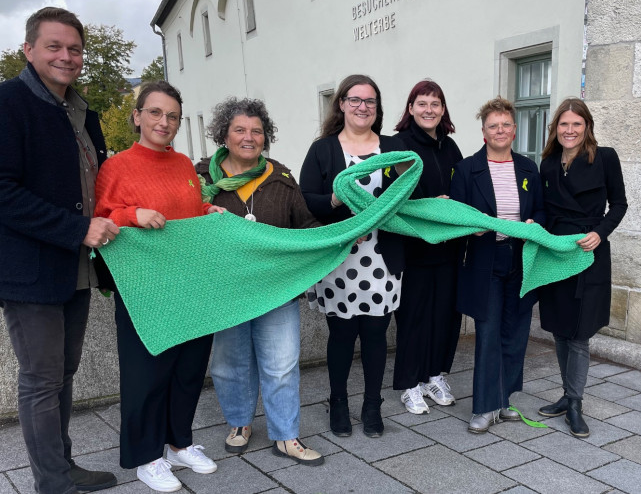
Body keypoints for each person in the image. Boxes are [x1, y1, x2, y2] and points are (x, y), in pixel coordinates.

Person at [0, 7, 119, 494]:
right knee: (41, 377)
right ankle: (52, 481)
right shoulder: (0, 106)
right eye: (54, 46)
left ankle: (64, 466)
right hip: (26, 269)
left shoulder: (82, 111)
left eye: (74, 49)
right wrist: (76, 229)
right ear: (28, 49)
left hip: (73, 265)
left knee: (63, 372)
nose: (66, 56)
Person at [94, 81, 225, 492]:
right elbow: (102, 218)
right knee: (146, 373)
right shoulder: (115, 168)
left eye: (171, 116)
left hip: (191, 283)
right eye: (154, 112)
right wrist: (133, 213)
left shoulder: (185, 164)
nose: (163, 122)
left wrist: (209, 209)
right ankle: (146, 456)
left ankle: (178, 442)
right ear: (137, 116)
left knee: (188, 370)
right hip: (144, 289)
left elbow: (186, 210)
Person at [195, 97, 324, 466]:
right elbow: (184, 222)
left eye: (256, 131)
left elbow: (305, 224)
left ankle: (286, 435)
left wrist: (337, 236)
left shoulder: (280, 176)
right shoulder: (202, 178)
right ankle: (239, 424)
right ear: (224, 134)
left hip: (276, 288)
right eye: (240, 129)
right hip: (226, 291)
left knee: (281, 363)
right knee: (228, 363)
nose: (248, 137)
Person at [300, 74, 406, 438]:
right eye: (355, 100)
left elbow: (410, 192)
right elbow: (307, 200)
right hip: (340, 259)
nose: (363, 107)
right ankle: (339, 401)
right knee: (342, 335)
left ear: (377, 108)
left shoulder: (394, 147)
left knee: (377, 334)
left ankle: (372, 404)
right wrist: (335, 201)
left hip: (383, 257)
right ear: (342, 104)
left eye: (370, 101)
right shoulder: (324, 149)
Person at [450, 97, 544, 434]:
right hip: (484, 259)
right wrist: (468, 226)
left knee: (516, 332)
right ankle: (482, 406)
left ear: (514, 130)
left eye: (506, 125)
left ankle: (503, 401)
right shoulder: (466, 169)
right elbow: (455, 217)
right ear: (484, 132)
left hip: (520, 258)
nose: (500, 130)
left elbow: (541, 210)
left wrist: (534, 221)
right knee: (488, 333)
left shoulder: (528, 168)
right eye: (494, 126)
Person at [535, 98, 627, 437]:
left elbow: (619, 204)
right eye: (563, 124)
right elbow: (544, 209)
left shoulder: (605, 158)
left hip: (588, 252)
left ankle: (575, 402)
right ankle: (566, 394)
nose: (569, 130)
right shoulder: (547, 164)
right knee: (560, 329)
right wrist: (536, 225)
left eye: (576, 124)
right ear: (555, 128)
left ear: (586, 126)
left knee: (578, 333)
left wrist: (599, 234)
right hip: (557, 250)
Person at [391, 80, 463, 414]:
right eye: (422, 103)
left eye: (435, 104)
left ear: (443, 109)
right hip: (414, 249)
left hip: (448, 249)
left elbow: (462, 193)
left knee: (445, 316)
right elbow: (396, 196)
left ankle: (434, 375)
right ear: (410, 108)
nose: (429, 110)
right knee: (414, 318)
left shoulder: (450, 148)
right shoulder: (400, 146)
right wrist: (432, 206)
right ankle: (410, 384)